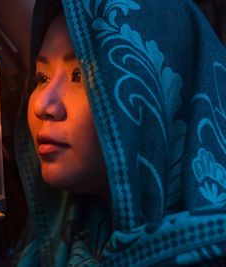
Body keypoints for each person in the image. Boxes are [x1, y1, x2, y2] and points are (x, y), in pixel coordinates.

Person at [14, 0, 226, 266]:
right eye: (41, 78)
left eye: (81, 75)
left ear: (161, 96)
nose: (43, 105)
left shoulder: (212, 251)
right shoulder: (57, 246)